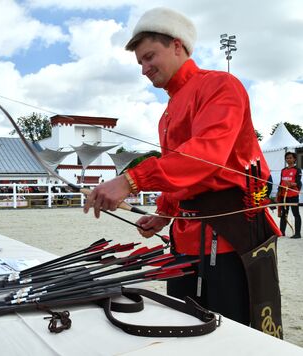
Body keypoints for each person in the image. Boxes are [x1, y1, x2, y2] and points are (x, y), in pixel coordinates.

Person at [83, 7, 282, 337]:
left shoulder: (220, 84)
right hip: (187, 239)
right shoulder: (167, 113)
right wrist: (164, 214)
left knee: (232, 334)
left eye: (150, 57)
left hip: (230, 236)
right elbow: (184, 177)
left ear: (177, 45)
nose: (145, 69)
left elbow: (206, 156)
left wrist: (131, 179)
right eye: (141, 63)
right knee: (184, 325)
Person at [277, 151, 301, 239]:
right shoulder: (283, 170)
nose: (288, 159)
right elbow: (281, 182)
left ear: (294, 159)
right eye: (287, 158)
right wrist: (278, 193)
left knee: (296, 214)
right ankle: (281, 232)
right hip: (284, 195)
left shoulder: (297, 170)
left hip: (293, 195)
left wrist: (291, 184)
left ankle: (297, 234)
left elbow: (298, 183)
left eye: (290, 158)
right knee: (284, 214)